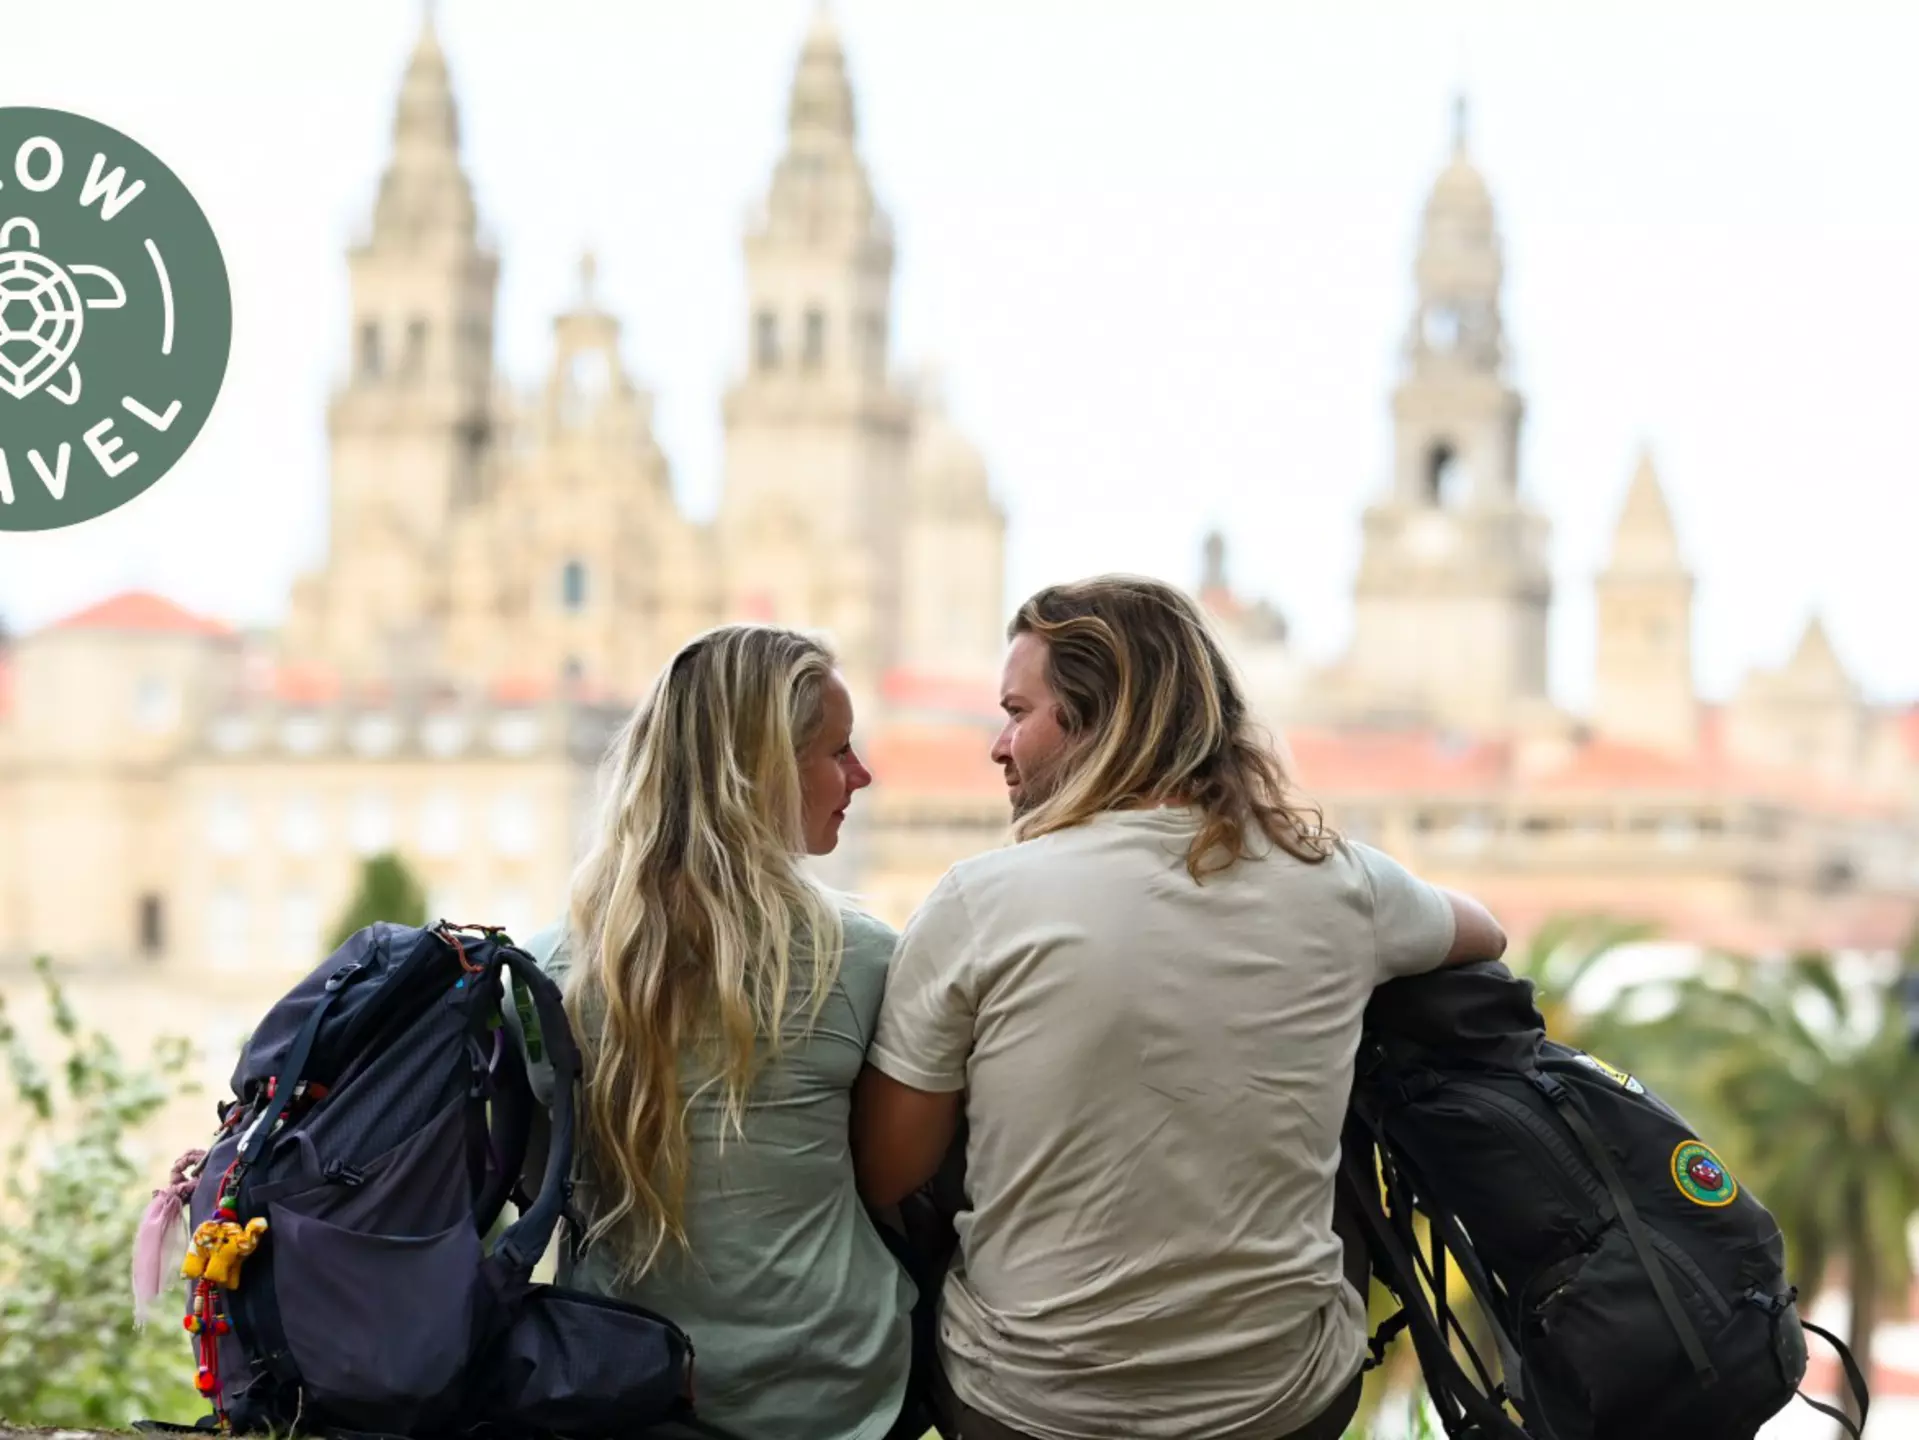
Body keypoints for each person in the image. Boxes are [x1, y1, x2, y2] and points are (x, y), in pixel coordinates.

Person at [852, 575, 1508, 1440]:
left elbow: (887, 1174)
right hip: (1278, 1398)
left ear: (1099, 719)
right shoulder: (1338, 883)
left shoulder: (980, 901)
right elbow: (1483, 933)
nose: (998, 745)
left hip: (1026, 1404)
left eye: (1018, 712)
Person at [522, 624, 919, 1440]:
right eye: (837, 752)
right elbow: (898, 1178)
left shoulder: (548, 970)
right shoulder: (865, 960)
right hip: (835, 1395)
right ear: (762, 770)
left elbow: (536, 1187)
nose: (862, 775)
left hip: (621, 1387)